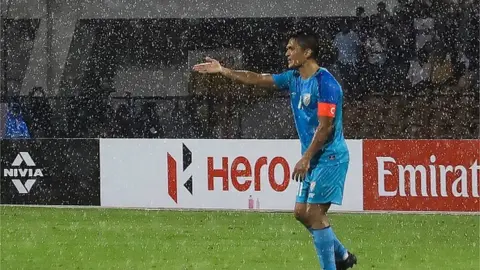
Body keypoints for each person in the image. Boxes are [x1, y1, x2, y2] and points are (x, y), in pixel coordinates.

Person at [193, 32, 357, 270]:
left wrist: (306, 158)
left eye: (291, 49)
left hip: (330, 157)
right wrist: (224, 70)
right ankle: (342, 256)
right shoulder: (293, 78)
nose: (287, 53)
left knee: (314, 213)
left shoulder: (326, 84)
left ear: (307, 52)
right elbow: (257, 79)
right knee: (301, 213)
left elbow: (325, 127)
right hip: (312, 157)